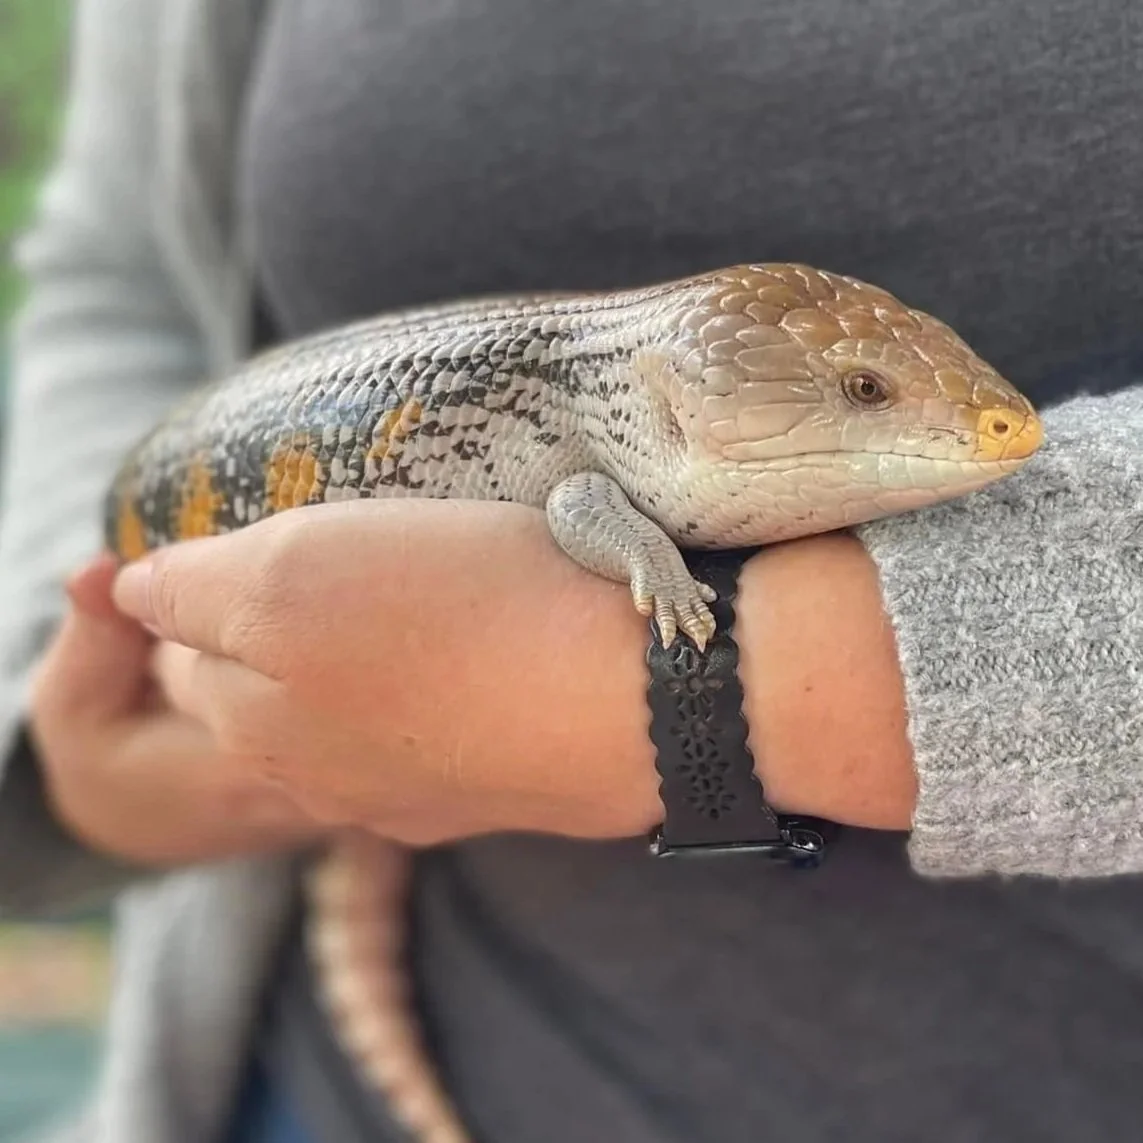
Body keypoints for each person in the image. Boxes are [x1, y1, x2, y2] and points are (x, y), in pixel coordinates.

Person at [0, 1, 1140, 1141]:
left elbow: (588, 509)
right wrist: (83, 729)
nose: (997, 430)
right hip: (302, 1053)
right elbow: (125, 276)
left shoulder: (655, 421)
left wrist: (722, 687)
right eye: (864, 393)